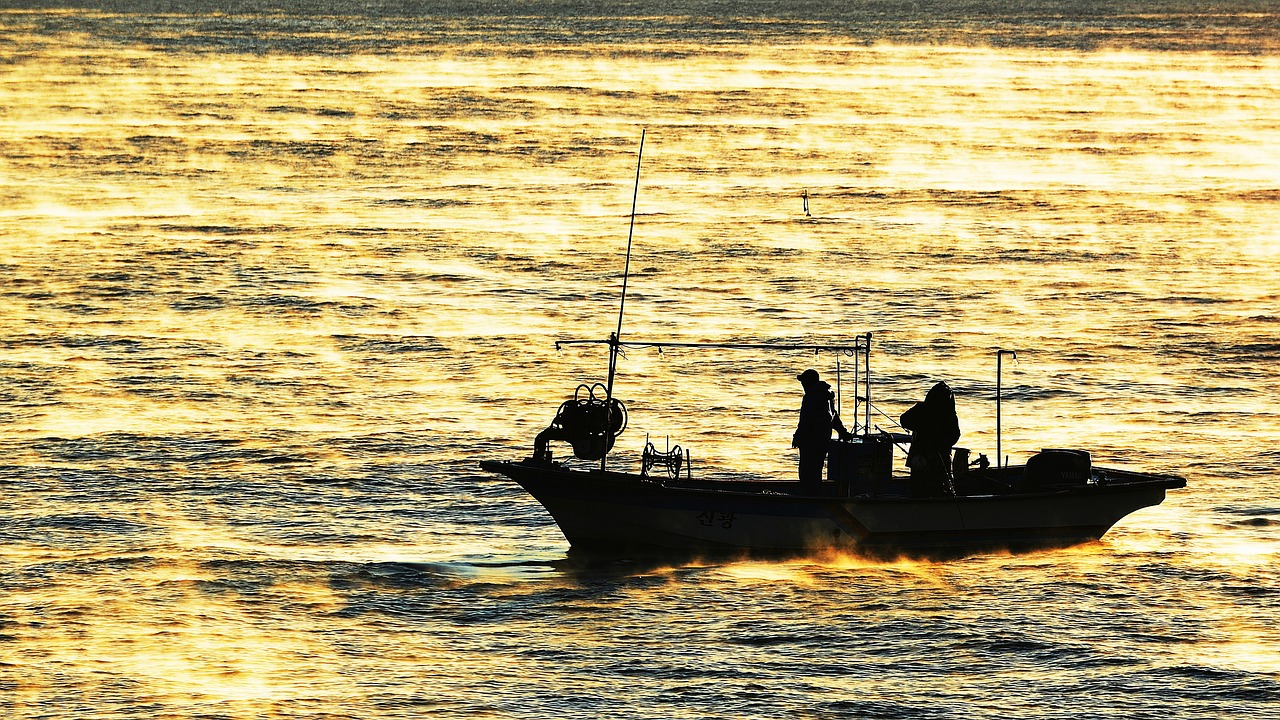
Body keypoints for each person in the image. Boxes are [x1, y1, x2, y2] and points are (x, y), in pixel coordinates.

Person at [792, 369, 851, 491]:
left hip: (810, 442)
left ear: (809, 382)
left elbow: (806, 420)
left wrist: (797, 437)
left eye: (804, 382)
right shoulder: (826, 395)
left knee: (807, 472)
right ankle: (815, 493)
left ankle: (809, 497)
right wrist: (843, 432)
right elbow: (834, 417)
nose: (802, 385)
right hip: (823, 440)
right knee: (816, 470)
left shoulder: (810, 397)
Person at [899, 381, 961, 497]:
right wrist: (922, 427)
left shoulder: (949, 415)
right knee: (919, 487)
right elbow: (904, 419)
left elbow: (955, 435)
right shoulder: (921, 409)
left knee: (942, 487)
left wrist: (941, 443)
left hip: (940, 457)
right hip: (921, 456)